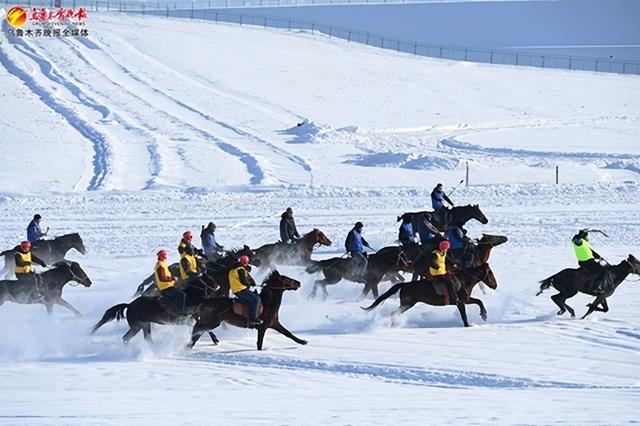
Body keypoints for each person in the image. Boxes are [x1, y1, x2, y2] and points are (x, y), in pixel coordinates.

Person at [229, 255, 262, 326]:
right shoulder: (241, 270)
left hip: (237, 290)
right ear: (245, 262)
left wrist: (251, 281)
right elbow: (244, 281)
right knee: (256, 300)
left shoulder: (233, 269)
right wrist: (250, 283)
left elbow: (247, 277)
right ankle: (252, 318)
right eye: (247, 262)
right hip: (241, 290)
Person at [572, 229, 607, 293]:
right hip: (586, 262)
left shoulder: (585, 243)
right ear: (584, 236)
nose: (588, 238)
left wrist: (599, 257)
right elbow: (576, 240)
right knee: (602, 271)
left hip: (589, 261)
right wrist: (580, 235)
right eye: (587, 236)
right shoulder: (580, 242)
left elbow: (591, 252)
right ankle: (596, 287)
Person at [154, 250, 186, 315]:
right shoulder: (160, 266)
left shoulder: (162, 264)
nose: (166, 256)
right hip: (166, 287)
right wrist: (172, 278)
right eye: (165, 255)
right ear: (163, 256)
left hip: (168, 286)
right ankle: (180, 312)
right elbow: (162, 278)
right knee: (182, 295)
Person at [429, 240, 459, 305]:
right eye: (447, 249)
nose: (447, 250)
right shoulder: (436, 254)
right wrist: (436, 267)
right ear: (444, 248)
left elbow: (447, 259)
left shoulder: (443, 253)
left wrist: (453, 263)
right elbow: (431, 262)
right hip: (437, 274)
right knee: (450, 283)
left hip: (443, 272)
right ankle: (454, 298)